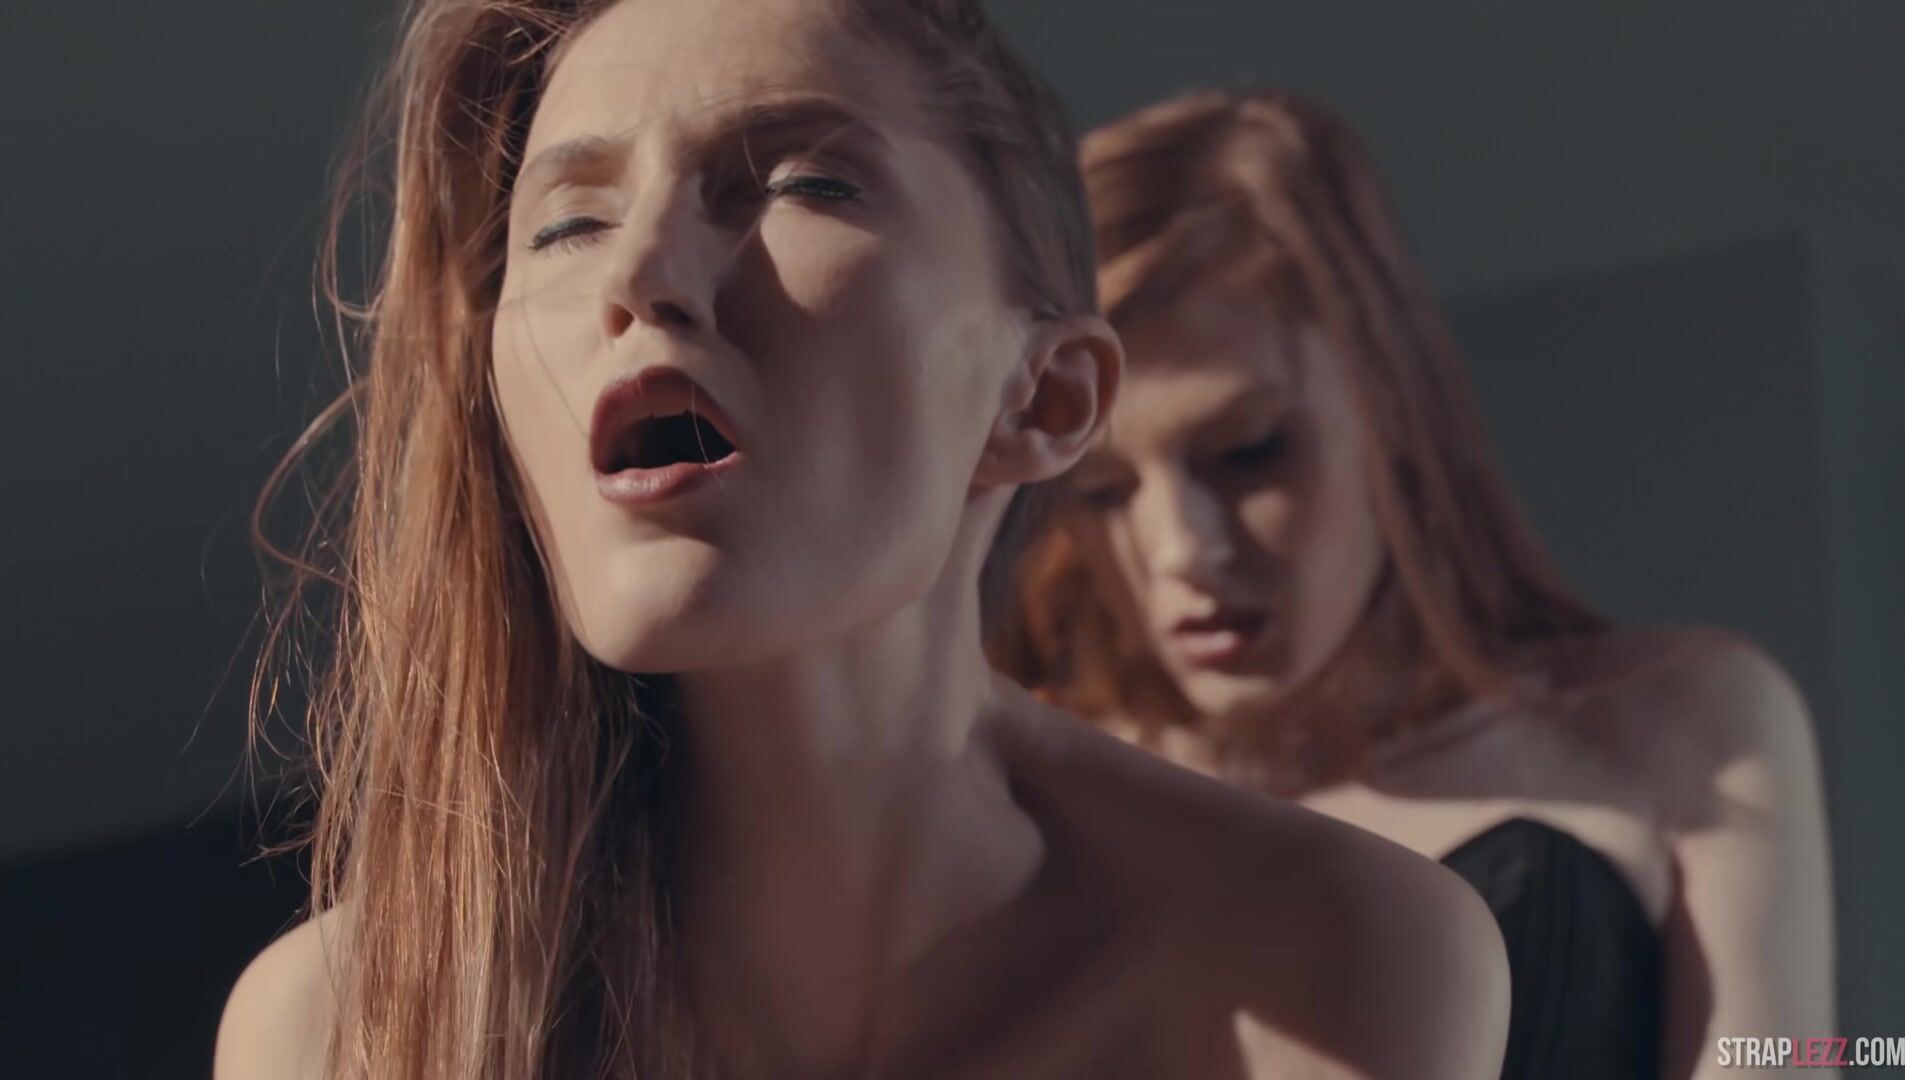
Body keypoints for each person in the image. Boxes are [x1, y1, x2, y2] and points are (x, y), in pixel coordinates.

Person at [212, 8, 1508, 1079]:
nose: (639, 273)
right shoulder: (337, 1033)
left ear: (1044, 399)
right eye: (567, 224)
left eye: (801, 182)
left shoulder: (1332, 963)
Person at [994, 87, 1834, 1080]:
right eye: (1100, 491)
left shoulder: (1682, 724)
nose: (1181, 550)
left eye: (1249, 452)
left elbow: (1792, 1057)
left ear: (1387, 403)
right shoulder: (1034, 805)